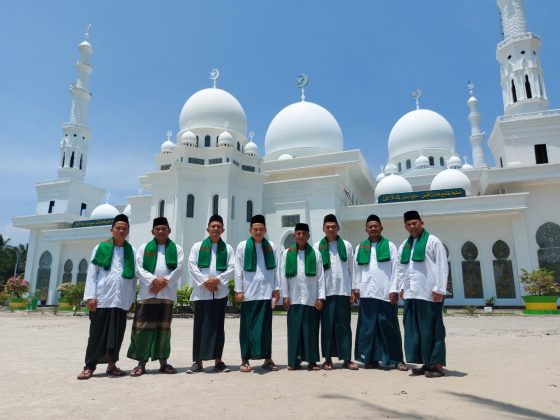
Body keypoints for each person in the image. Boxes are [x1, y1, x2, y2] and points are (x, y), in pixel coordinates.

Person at [77, 214, 137, 380]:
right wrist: (90, 296)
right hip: (102, 298)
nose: (121, 230)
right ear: (112, 230)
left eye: (124, 228)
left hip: (121, 299)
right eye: (118, 228)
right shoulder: (100, 248)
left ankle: (112, 365)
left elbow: (132, 279)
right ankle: (89, 366)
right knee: (97, 334)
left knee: (117, 334)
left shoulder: (131, 251)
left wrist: (131, 300)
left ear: (128, 231)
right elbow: (92, 274)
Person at [127, 217, 185, 376]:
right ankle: (141, 363)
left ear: (169, 231)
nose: (161, 231)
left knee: (163, 329)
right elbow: (138, 269)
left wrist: (163, 282)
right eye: (157, 229)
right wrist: (154, 280)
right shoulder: (144, 248)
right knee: (143, 328)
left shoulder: (177, 248)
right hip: (148, 293)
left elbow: (179, 269)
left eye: (164, 228)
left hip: (166, 294)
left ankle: (163, 362)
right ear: (152, 231)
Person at [397, 210, 448, 378]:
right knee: (416, 331)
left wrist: (440, 289)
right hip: (412, 294)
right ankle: (427, 363)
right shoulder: (405, 245)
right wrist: (402, 288)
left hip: (429, 295)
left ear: (421, 223)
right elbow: (402, 269)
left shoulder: (433, 241)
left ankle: (438, 365)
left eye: (415, 223)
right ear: (405, 226)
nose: (412, 226)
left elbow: (442, 265)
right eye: (409, 224)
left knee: (433, 329)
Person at [353, 214, 407, 371]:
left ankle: (397, 359)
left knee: (389, 327)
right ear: (366, 229)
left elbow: (397, 269)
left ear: (381, 228)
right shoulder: (360, 247)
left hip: (385, 294)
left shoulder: (390, 246)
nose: (373, 229)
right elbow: (356, 270)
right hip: (367, 294)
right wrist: (356, 289)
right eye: (370, 226)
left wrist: (394, 289)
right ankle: (370, 359)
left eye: (376, 226)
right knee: (368, 329)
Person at [187, 214, 235, 373]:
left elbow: (232, 268)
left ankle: (218, 360)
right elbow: (192, 266)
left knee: (218, 327)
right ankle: (198, 362)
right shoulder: (197, 247)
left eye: (218, 227)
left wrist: (218, 281)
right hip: (202, 293)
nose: (215, 229)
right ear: (207, 229)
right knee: (199, 327)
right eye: (213, 226)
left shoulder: (227, 248)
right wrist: (206, 282)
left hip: (219, 293)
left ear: (223, 230)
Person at [234, 214, 280, 372]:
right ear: (250, 230)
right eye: (255, 229)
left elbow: (275, 269)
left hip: (266, 292)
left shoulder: (271, 246)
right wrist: (239, 290)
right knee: (247, 327)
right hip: (248, 293)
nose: (258, 232)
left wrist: (276, 288)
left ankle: (268, 358)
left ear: (265, 230)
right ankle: (245, 359)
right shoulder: (242, 246)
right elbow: (238, 270)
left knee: (266, 328)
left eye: (261, 229)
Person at [313, 214, 357, 370]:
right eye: (328, 227)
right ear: (323, 229)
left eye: (333, 226)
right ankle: (328, 359)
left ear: (338, 228)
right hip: (325, 293)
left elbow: (352, 268)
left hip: (343, 292)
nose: (331, 229)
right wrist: (318, 295)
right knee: (327, 327)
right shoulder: (318, 246)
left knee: (344, 326)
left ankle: (346, 359)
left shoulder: (346, 245)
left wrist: (353, 290)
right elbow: (316, 273)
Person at [280, 223, 325, 371]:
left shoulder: (316, 253)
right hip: (293, 299)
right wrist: (285, 296)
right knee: (294, 330)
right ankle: (294, 361)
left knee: (311, 330)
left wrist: (321, 297)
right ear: (294, 236)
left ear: (308, 236)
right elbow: (283, 276)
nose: (300, 236)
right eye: (298, 233)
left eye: (303, 234)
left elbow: (320, 277)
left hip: (310, 298)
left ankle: (311, 361)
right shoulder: (287, 253)